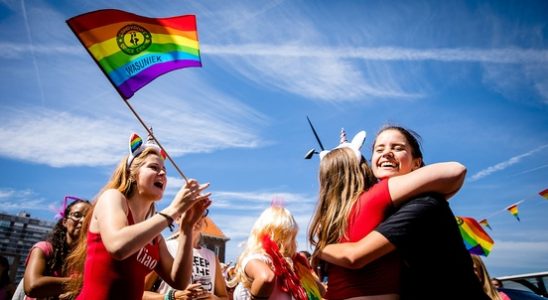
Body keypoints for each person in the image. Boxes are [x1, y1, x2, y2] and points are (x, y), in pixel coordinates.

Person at [317, 125, 489, 299]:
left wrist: (321, 250)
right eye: (379, 149)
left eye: (398, 148)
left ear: (416, 163)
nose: (387, 153)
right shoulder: (376, 208)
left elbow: (355, 255)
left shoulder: (424, 204)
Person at [64, 133, 211, 300]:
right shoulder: (113, 198)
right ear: (132, 173)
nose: (162, 173)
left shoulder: (155, 237)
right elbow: (118, 246)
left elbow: (179, 281)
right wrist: (174, 210)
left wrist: (186, 228)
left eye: (164, 170)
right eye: (154, 168)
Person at [231, 205, 325, 300]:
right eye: (292, 236)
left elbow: (321, 291)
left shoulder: (294, 265)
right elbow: (266, 278)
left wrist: (306, 271)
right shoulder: (259, 259)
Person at [12, 197, 91, 300]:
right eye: (77, 215)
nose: (83, 220)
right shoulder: (44, 248)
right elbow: (32, 286)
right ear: (65, 221)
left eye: (89, 218)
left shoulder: (89, 257)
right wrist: (79, 283)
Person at [143, 209, 228, 299]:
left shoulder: (211, 256)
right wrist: (172, 297)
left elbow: (223, 297)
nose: (196, 217)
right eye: (190, 212)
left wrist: (212, 298)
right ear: (178, 219)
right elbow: (140, 293)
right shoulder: (165, 248)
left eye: (201, 214)